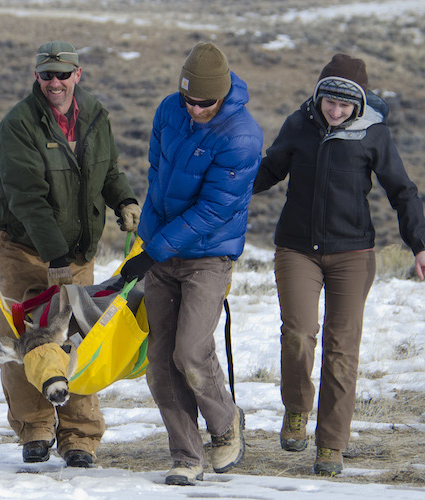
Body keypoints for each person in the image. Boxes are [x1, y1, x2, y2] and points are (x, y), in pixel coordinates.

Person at [252, 53, 425, 476]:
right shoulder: (298, 125)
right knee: (298, 334)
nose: (335, 111)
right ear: (318, 96)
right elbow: (269, 171)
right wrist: (225, 186)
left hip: (353, 254)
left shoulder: (374, 133)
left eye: (344, 104)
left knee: (341, 351)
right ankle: (297, 410)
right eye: (328, 102)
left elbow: (403, 191)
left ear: (359, 101)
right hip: (297, 249)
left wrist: (420, 245)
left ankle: (332, 444)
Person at [0, 41, 140, 468]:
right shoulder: (18, 125)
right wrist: (55, 259)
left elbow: (107, 170)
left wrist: (123, 199)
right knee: (23, 341)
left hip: (75, 255)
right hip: (23, 251)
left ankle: (80, 436)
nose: (55, 82)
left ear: (78, 74)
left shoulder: (95, 116)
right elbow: (27, 199)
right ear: (37, 77)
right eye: (46, 75)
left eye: (62, 74)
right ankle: (35, 427)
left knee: (77, 340)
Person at [120, 42, 263, 486]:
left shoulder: (241, 135)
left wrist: (154, 249)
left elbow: (213, 210)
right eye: (189, 100)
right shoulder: (169, 110)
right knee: (161, 361)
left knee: (190, 352)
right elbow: (157, 173)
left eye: (205, 102)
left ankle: (225, 426)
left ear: (222, 96)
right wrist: (145, 241)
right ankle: (186, 454)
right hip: (161, 248)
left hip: (209, 255)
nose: (195, 108)